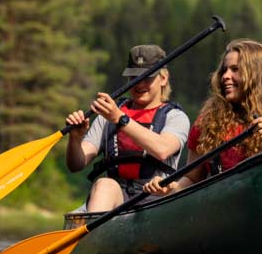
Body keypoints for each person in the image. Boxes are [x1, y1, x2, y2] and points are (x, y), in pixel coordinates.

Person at [144, 39, 262, 197]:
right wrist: (171, 188)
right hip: (224, 206)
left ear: (257, 75)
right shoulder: (208, 121)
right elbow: (193, 178)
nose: (225, 76)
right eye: (224, 70)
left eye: (235, 69)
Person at [65, 44, 190, 211]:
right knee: (104, 184)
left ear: (164, 78)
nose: (139, 84)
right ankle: (93, 236)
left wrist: (120, 119)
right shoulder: (108, 116)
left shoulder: (175, 117)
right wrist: (75, 138)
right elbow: (76, 164)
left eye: (147, 77)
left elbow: (162, 149)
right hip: (115, 198)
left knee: (107, 186)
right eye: (134, 77)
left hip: (155, 199)